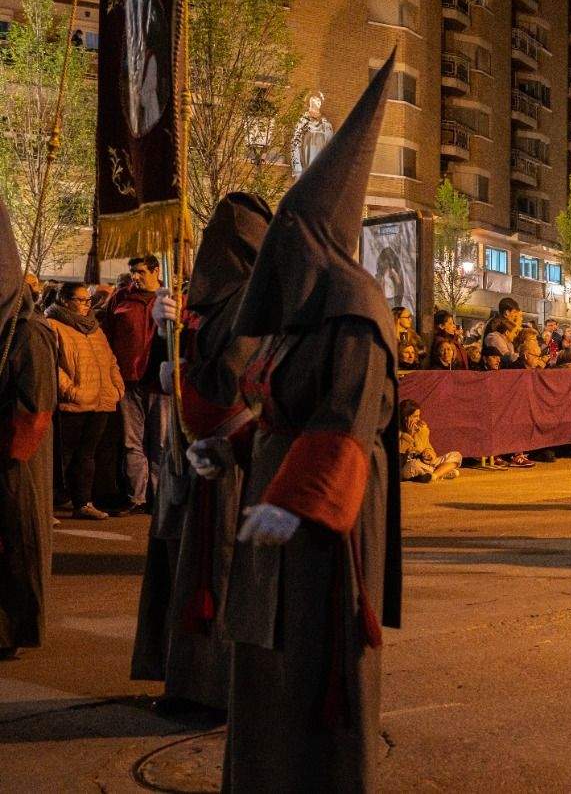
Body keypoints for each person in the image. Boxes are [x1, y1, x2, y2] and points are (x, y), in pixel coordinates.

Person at [199, 54, 402, 790]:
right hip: (276, 510)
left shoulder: (355, 311)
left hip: (320, 531)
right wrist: (231, 444)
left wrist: (266, 526)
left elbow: (338, 437)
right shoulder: (304, 311)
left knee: (310, 662)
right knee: (265, 667)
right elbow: (277, 403)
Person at [132, 192, 271, 715]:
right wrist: (167, 331)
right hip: (192, 456)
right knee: (185, 568)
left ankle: (214, 690)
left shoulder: (253, 303)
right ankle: (184, 679)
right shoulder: (211, 303)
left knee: (218, 573)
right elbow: (183, 364)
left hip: (227, 462)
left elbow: (230, 379)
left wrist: (181, 373)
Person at [0, 194, 57, 660]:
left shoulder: (29, 331)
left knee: (14, 546)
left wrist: (7, 451)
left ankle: (11, 630)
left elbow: (34, 408)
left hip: (12, 464)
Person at [45, 282, 124, 521]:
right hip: (75, 401)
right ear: (65, 300)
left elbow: (109, 359)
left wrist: (116, 387)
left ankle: (83, 502)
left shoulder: (95, 328)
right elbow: (52, 364)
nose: (85, 305)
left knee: (87, 455)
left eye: (87, 300)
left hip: (101, 400)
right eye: (80, 300)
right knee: (63, 456)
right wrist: (71, 390)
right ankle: (50, 504)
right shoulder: (54, 325)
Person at [101, 254, 168, 515]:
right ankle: (137, 496)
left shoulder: (167, 298)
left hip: (158, 382)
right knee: (132, 441)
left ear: (155, 270)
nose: (135, 277)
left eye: (140, 271)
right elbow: (107, 334)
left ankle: (160, 497)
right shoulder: (120, 298)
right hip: (129, 379)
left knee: (160, 442)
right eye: (132, 272)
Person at [398, 400, 460, 482]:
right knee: (413, 465)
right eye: (415, 416)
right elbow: (401, 455)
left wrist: (429, 453)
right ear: (405, 418)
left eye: (419, 416)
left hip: (424, 463)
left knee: (456, 455)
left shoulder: (422, 429)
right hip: (407, 465)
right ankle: (441, 472)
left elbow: (427, 447)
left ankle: (434, 476)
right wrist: (408, 435)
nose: (418, 419)